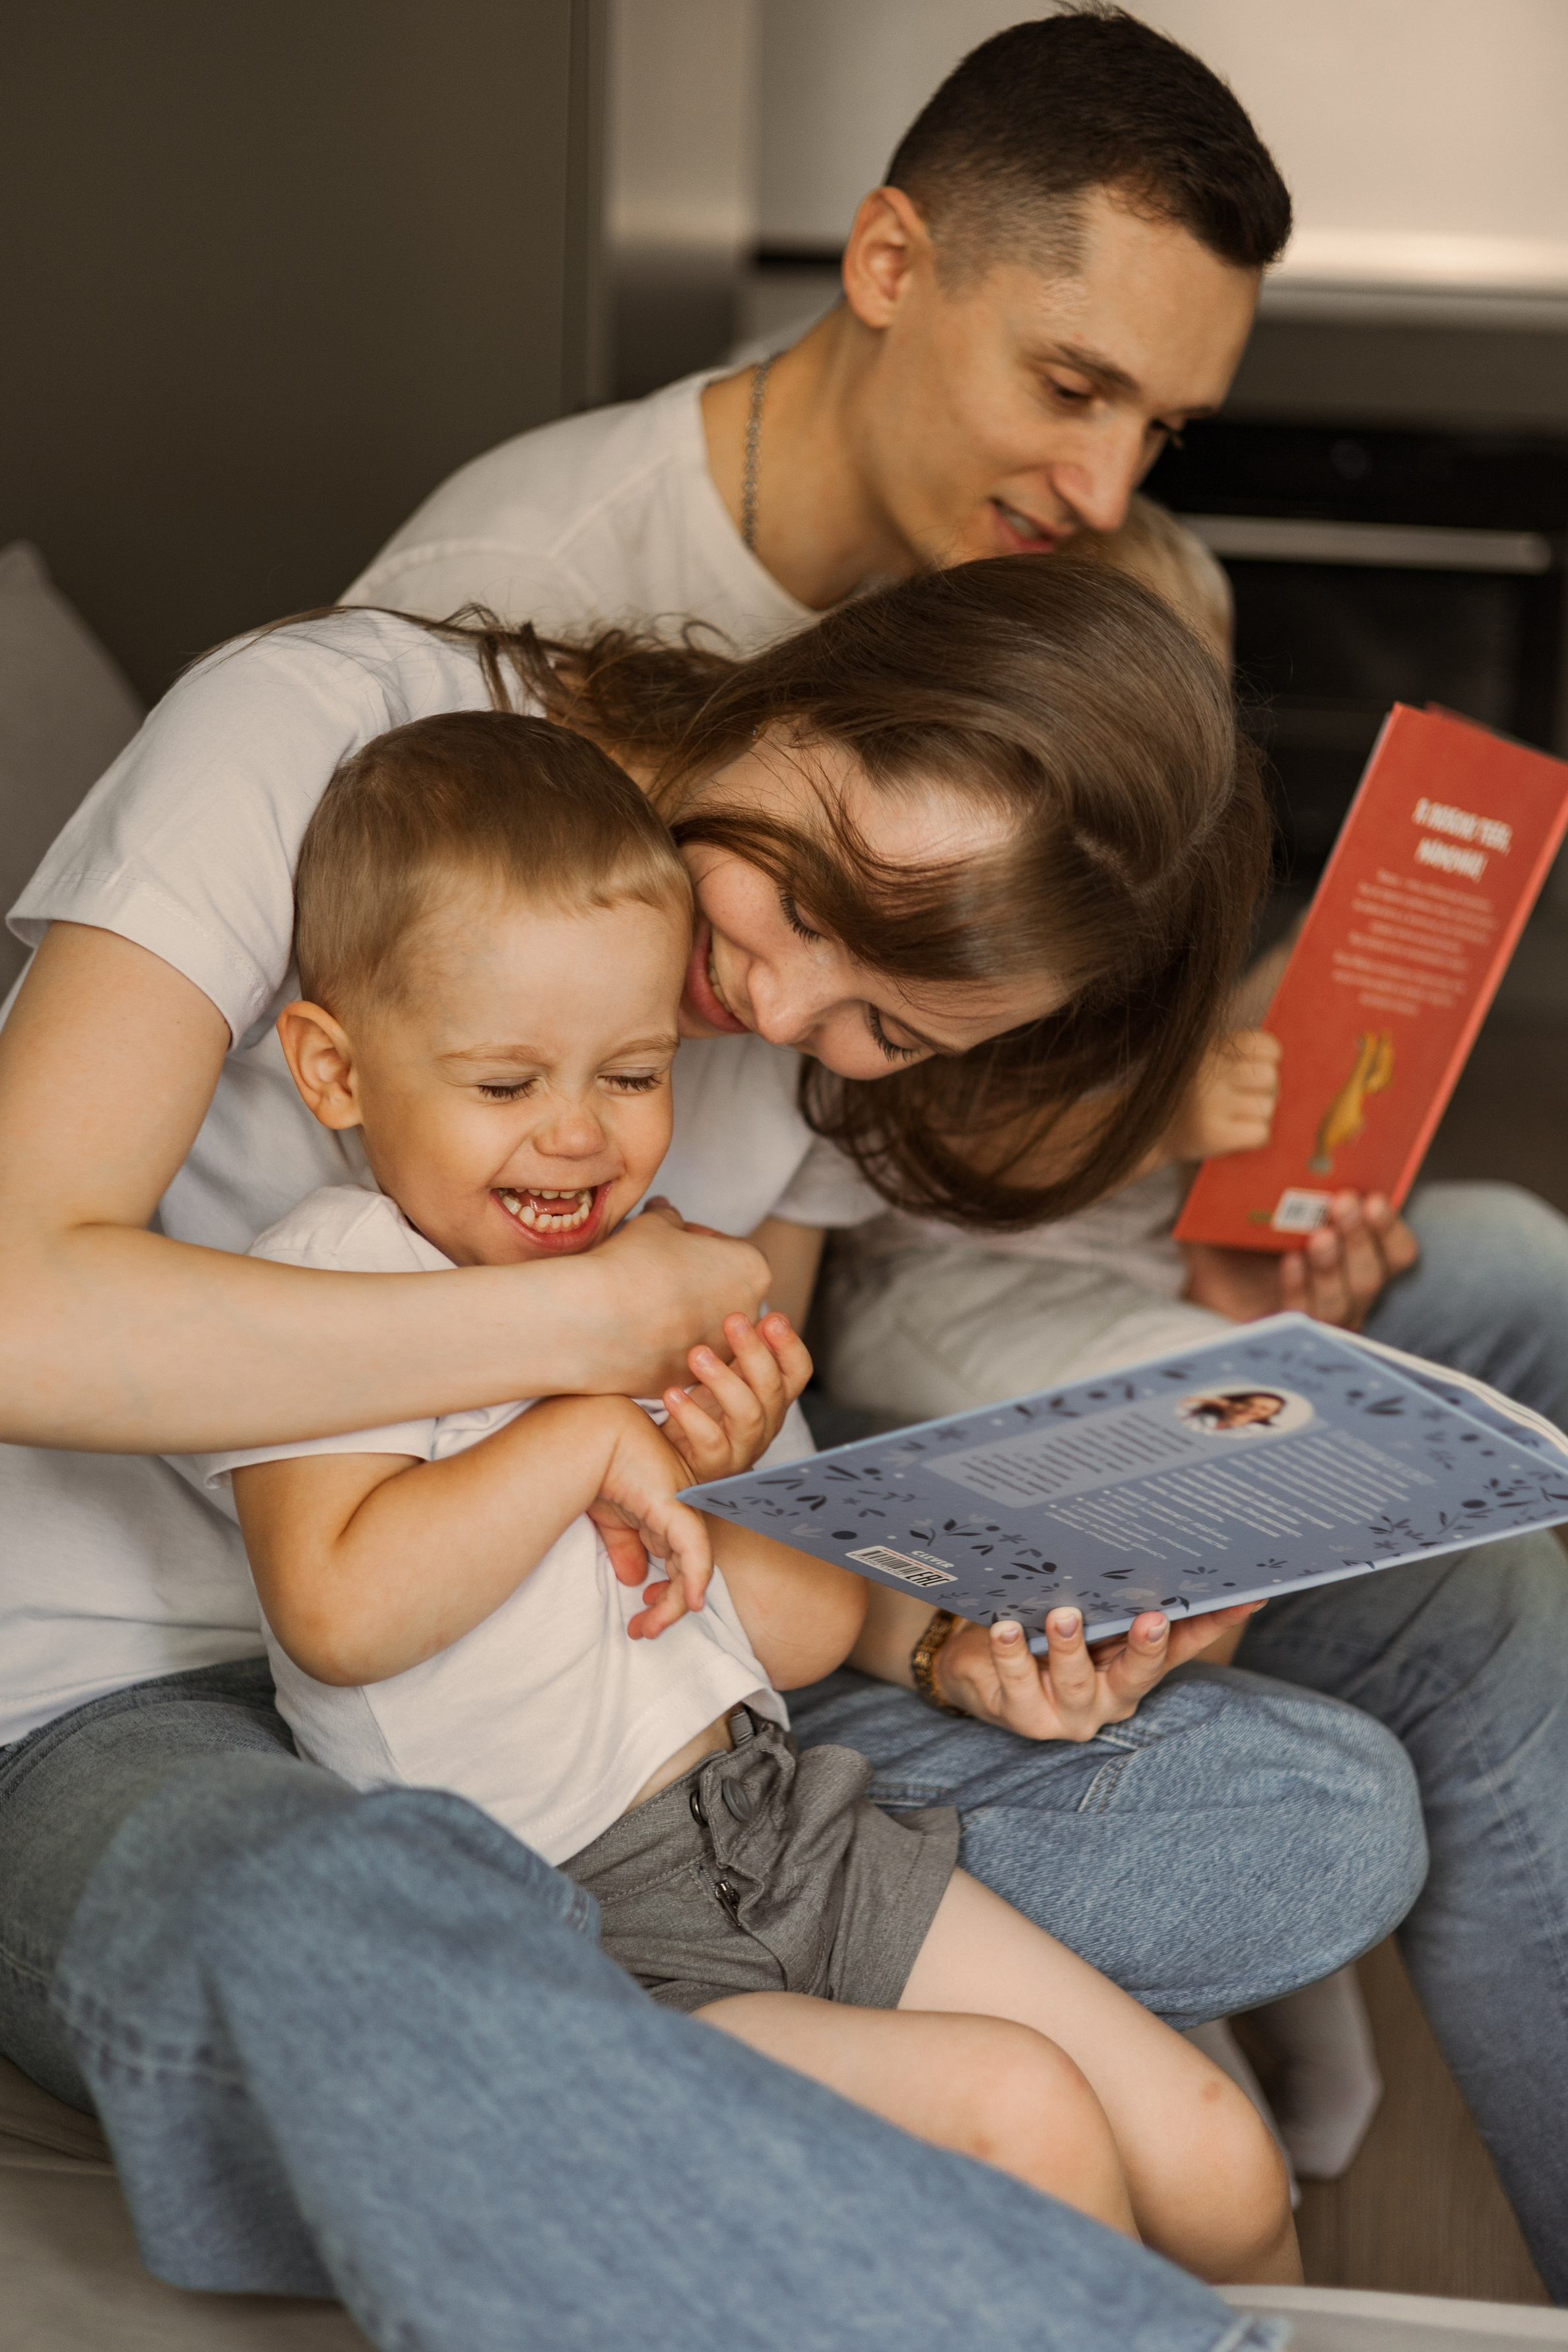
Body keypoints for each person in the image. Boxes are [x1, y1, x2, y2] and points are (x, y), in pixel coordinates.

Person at [347, 10, 1568, 2283]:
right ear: (888, 258)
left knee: (1505, 1289)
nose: (1108, 485)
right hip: (620, 1481)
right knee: (1447, 1679)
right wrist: (892, 1578)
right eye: (1070, 386)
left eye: (1162, 422)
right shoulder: (500, 646)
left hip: (808, 1390)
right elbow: (449, 1265)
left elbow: (828, 1233)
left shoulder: (974, 611)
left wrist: (1183, 1239)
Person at [0, 560, 1394, 2343]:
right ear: (813, 688)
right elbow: (31, 1309)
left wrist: (964, 1643)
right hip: (149, 1717)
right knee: (357, 1916)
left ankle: (610, 2092)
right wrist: (592, 1358)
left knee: (1316, 1806)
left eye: (890, 1027)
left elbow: (746, 1591)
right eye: (818, 900)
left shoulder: (720, 1085)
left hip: (695, 1776)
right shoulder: (314, 744)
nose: (785, 1002)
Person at [207, 705, 1298, 2279]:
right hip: (560, 1918)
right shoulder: (333, 1278)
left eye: (633, 1072)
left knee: (1216, 2158)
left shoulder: (647, 1278)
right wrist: (583, 1440)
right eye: (508, 1082)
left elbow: (789, 1636)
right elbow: (337, 1610)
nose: (579, 1137)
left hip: (775, 1827)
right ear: (335, 1068)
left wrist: (717, 1485)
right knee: (1023, 2110)